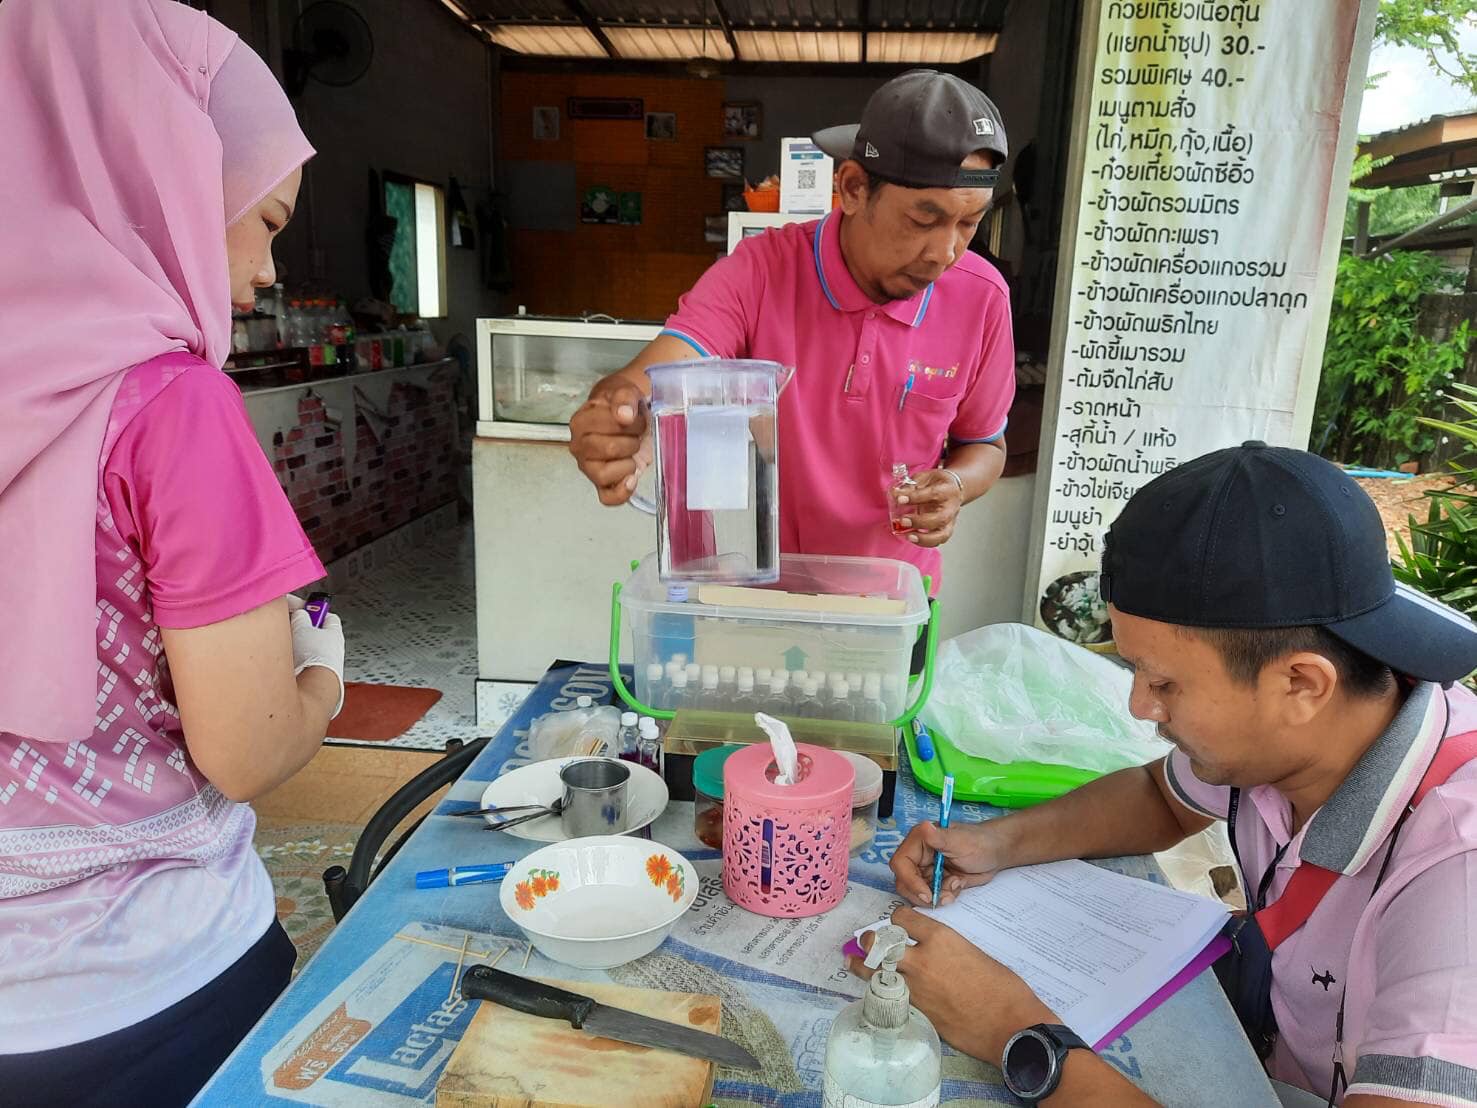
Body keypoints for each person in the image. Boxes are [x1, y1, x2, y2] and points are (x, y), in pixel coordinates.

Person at [867, 443, 1477, 1107]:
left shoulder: (1456, 878)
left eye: (1163, 683)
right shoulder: (1293, 736)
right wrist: (994, 844)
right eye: (1133, 671)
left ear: (1301, 682)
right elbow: (1160, 796)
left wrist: (1013, 1030)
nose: (1138, 708)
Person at [0, 2, 345, 1104]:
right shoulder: (170, 406)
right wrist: (325, 674)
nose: (261, 275)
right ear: (159, 168)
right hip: (151, 990)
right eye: (266, 220)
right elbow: (245, 749)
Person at [568, 70, 1016, 592]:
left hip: (891, 604)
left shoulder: (981, 298)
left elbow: (986, 445)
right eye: (923, 219)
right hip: (753, 599)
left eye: (968, 224)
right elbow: (665, 365)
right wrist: (619, 411)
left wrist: (956, 485)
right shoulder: (762, 270)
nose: (944, 254)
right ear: (852, 188)